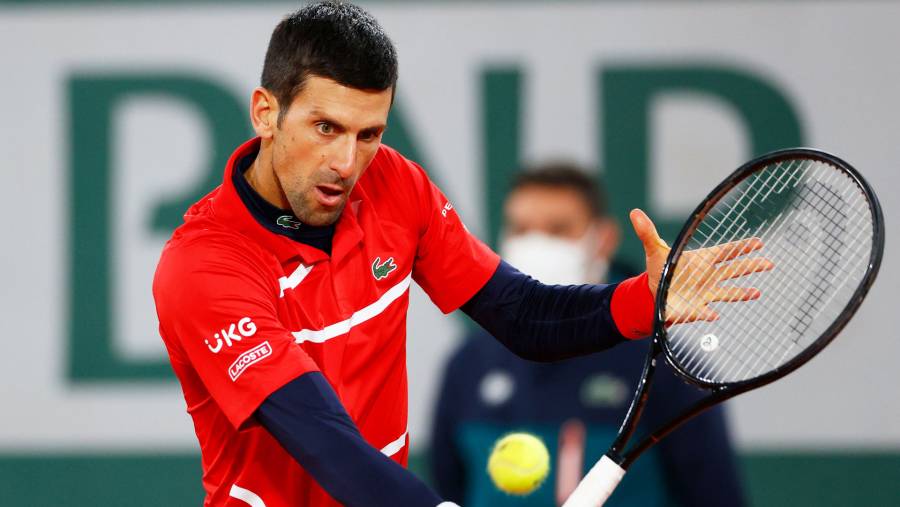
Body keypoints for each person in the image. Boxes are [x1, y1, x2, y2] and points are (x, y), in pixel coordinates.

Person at [152, 3, 769, 506]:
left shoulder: (396, 186)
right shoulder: (203, 266)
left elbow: (523, 315)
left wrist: (645, 299)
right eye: (325, 128)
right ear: (266, 112)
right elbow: (320, 437)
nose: (346, 163)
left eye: (369, 134)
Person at [429, 164, 747, 507]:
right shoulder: (467, 365)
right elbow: (448, 489)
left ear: (604, 239)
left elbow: (714, 495)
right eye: (521, 229)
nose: (537, 244)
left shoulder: (666, 367)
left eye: (558, 229)